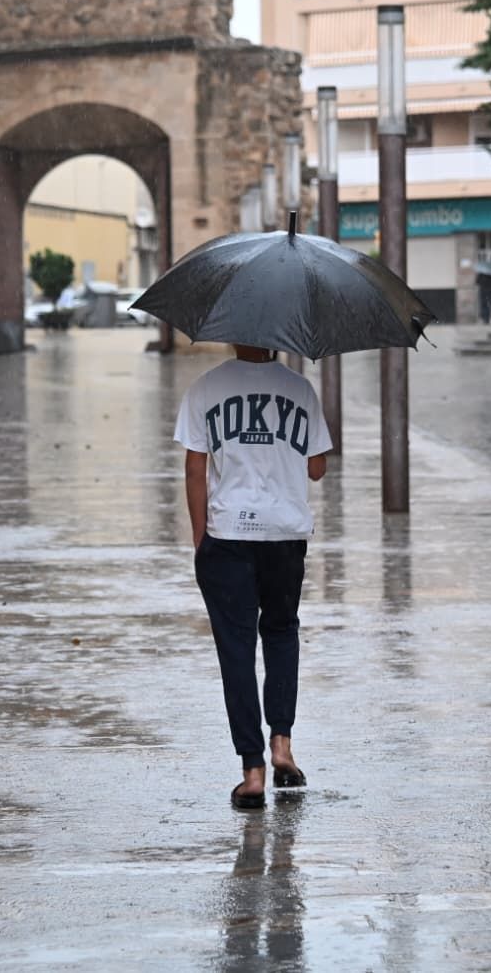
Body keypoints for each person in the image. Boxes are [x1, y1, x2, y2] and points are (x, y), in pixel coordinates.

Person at [175, 344, 332, 810]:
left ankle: (253, 771)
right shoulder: (299, 389)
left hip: (229, 536)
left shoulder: (206, 388)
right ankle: (282, 744)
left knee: (237, 650)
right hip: (285, 535)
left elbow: (194, 466)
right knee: (282, 633)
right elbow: (318, 468)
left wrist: (201, 538)